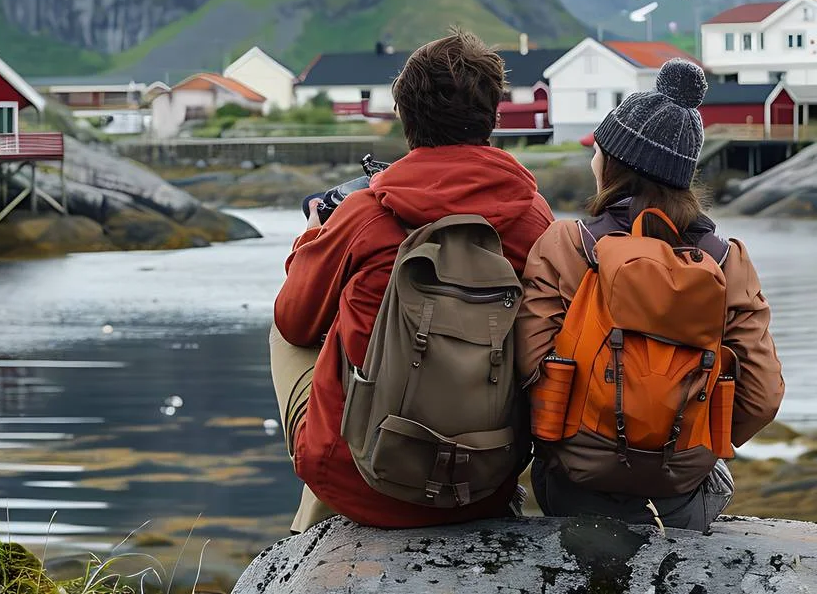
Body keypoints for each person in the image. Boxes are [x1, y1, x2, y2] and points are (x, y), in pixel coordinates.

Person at [270, 31, 555, 532]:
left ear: (405, 117)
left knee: (288, 332)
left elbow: (295, 321)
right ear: (492, 117)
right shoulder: (535, 219)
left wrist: (312, 241)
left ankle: (310, 532)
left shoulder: (364, 213)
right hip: (484, 481)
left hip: (359, 482)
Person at [515, 58, 783, 529]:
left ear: (615, 163)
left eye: (599, 150)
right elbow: (761, 396)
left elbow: (528, 365)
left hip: (576, 483)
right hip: (684, 487)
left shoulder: (567, 245)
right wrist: (693, 440)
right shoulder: (726, 261)